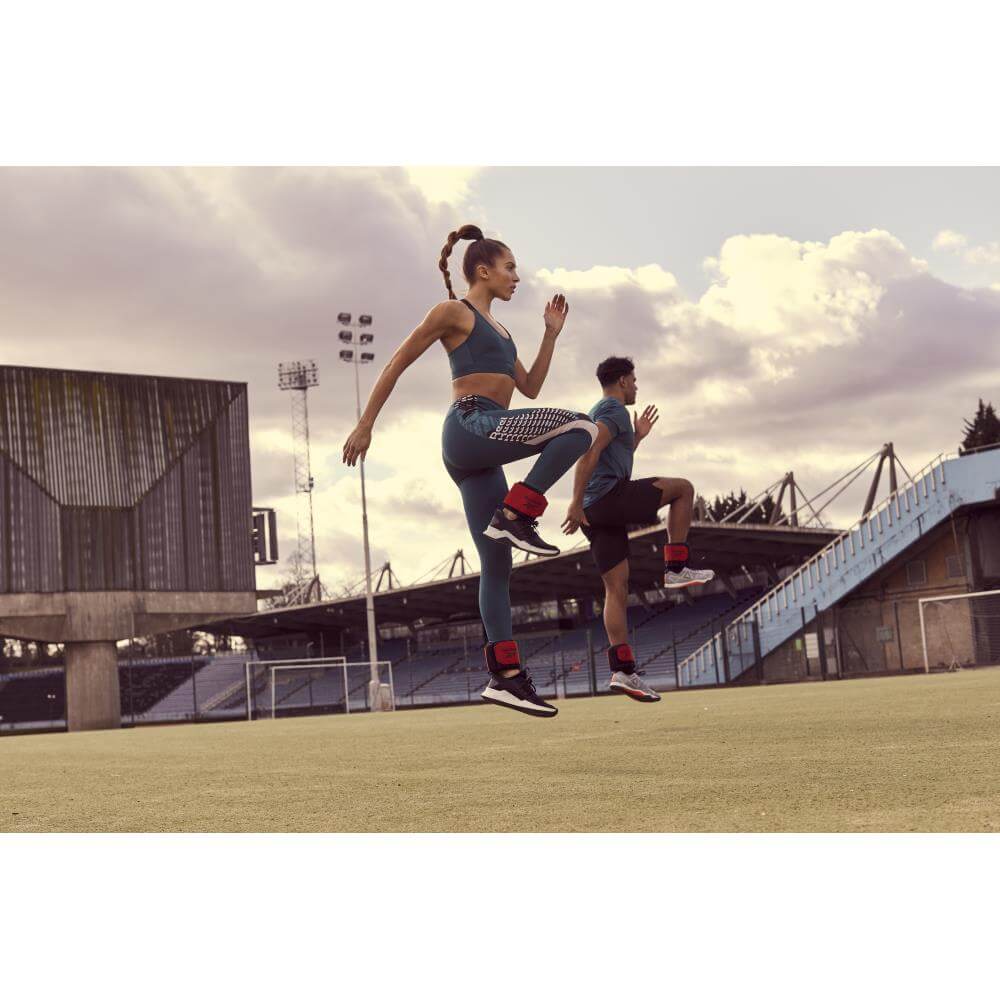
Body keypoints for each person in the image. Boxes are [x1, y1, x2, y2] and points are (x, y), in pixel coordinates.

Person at [342, 225, 597, 718]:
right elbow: (396, 362)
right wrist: (366, 423)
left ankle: (504, 678)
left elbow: (532, 389)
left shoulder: (502, 332)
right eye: (510, 268)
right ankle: (517, 513)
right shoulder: (452, 312)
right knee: (582, 427)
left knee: (498, 565)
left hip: (484, 445)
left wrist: (550, 334)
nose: (517, 277)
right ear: (484, 271)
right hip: (471, 425)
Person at [561, 356, 714, 703]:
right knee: (683, 488)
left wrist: (637, 438)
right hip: (606, 499)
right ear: (621, 382)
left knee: (616, 588)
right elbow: (590, 453)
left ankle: (623, 671)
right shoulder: (612, 410)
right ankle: (676, 567)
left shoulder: (608, 414)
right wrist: (574, 500)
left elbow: (611, 455)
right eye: (634, 380)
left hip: (595, 511)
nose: (637, 386)